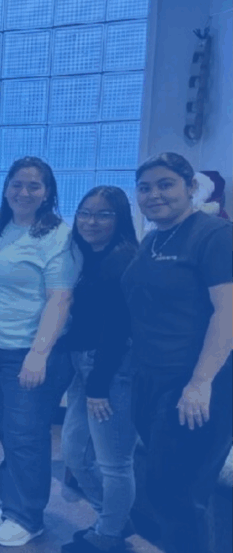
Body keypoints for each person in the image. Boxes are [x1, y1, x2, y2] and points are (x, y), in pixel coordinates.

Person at [121, 152, 232, 553]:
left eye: (166, 184)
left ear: (189, 186)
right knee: (160, 483)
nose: (154, 195)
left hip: (195, 382)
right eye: (145, 187)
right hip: (152, 377)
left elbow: (227, 312)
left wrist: (200, 383)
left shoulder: (214, 235)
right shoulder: (153, 239)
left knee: (181, 493)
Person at [0, 156, 80, 547]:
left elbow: (60, 300)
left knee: (26, 436)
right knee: (8, 432)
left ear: (47, 192)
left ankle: (28, 517)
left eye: (34, 186)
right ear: (6, 187)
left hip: (26, 353)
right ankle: (12, 501)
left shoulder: (58, 237)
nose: (24, 192)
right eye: (17, 184)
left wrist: (38, 354)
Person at [59, 186, 139, 553]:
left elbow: (119, 330)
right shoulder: (87, 256)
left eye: (104, 214)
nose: (91, 221)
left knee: (114, 462)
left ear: (120, 218)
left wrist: (99, 385)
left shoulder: (121, 260)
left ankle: (108, 536)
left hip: (109, 369)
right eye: (84, 212)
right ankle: (114, 518)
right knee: (74, 452)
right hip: (84, 364)